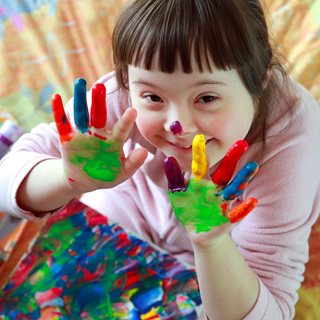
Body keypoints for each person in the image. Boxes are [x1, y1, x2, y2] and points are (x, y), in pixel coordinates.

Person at [0, 0, 320, 318]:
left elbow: (270, 312)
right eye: (153, 97)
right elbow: (6, 178)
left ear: (260, 80)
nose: (177, 126)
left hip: (222, 262)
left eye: (206, 98)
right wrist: (67, 178)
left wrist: (212, 243)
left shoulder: (291, 144)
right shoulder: (120, 98)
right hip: (123, 209)